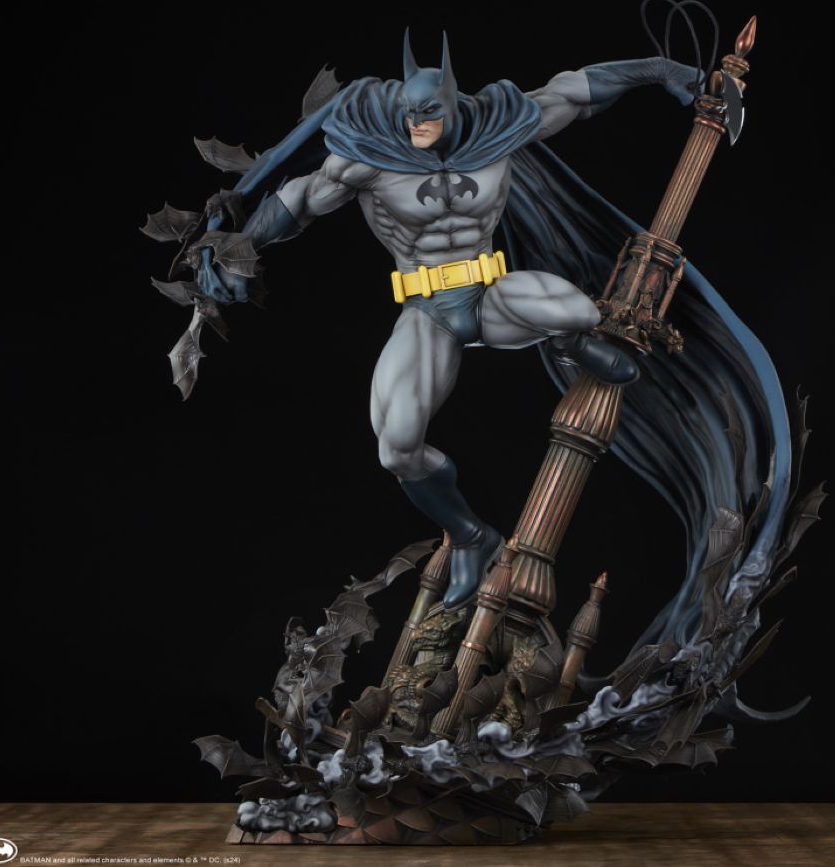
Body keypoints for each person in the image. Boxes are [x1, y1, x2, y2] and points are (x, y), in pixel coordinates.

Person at [186, 31, 705, 611]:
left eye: (429, 113)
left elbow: (576, 92)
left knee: (580, 309)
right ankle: (470, 534)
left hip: (492, 295)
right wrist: (240, 248)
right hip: (426, 313)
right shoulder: (370, 157)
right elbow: (301, 199)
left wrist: (657, 68)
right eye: (410, 114)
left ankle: (569, 344)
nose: (416, 125)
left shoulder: (498, 128)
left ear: (455, 106)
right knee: (397, 447)